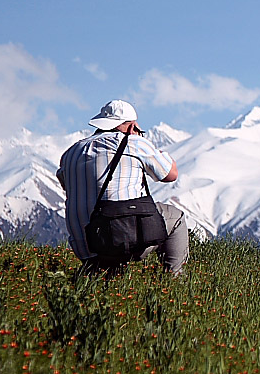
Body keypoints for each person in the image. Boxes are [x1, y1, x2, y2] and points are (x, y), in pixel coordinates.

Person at [57, 100, 188, 277]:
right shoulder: (135, 143)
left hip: (84, 246)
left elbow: (67, 186)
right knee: (176, 217)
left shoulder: (71, 153)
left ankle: (96, 272)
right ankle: (173, 279)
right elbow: (171, 175)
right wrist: (149, 146)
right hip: (120, 240)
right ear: (132, 125)